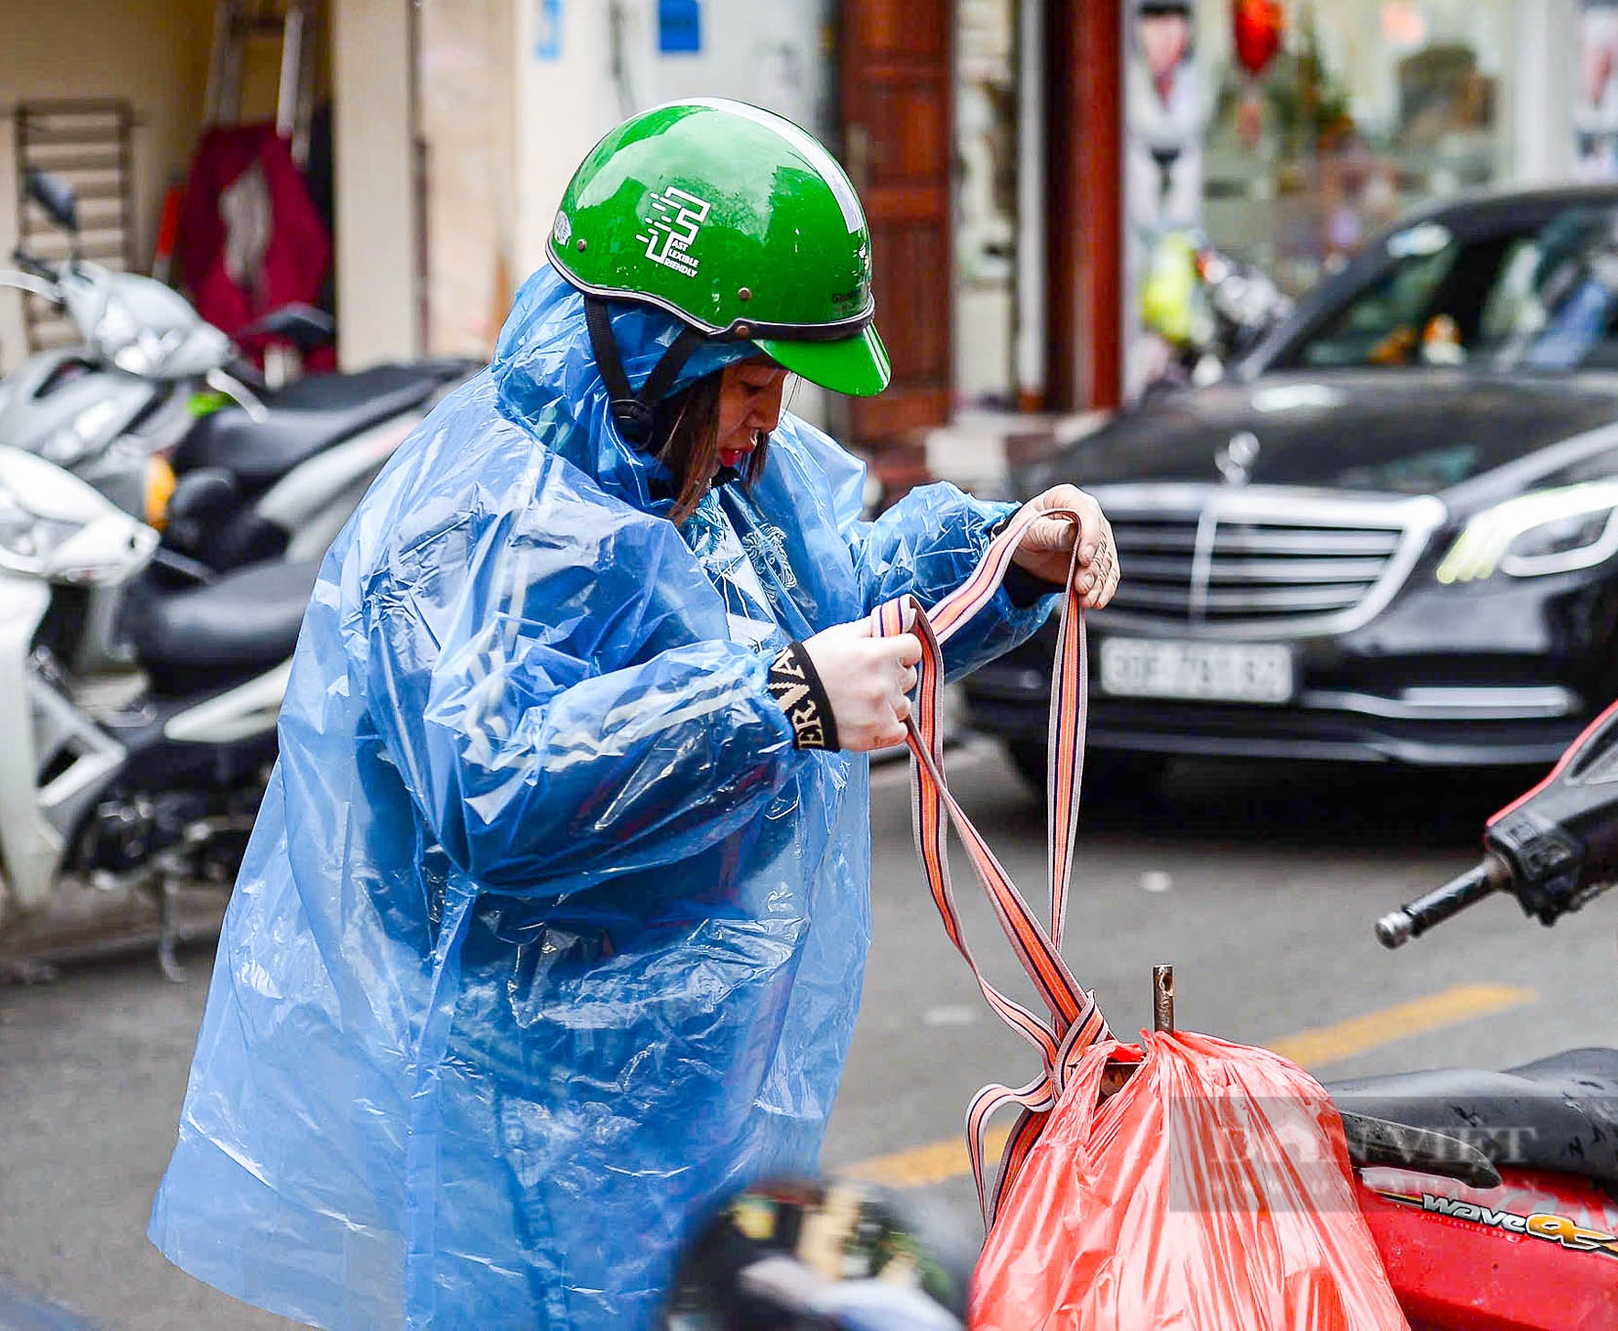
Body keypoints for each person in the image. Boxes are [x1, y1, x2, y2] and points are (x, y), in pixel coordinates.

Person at [146, 99, 1116, 1329]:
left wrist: (1004, 561)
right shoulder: (484, 519)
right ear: (655, 349)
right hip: (538, 1106)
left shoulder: (709, 474)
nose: (772, 418)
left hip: (701, 1082)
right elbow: (493, 782)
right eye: (756, 381)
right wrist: (775, 702)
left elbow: (847, 598)